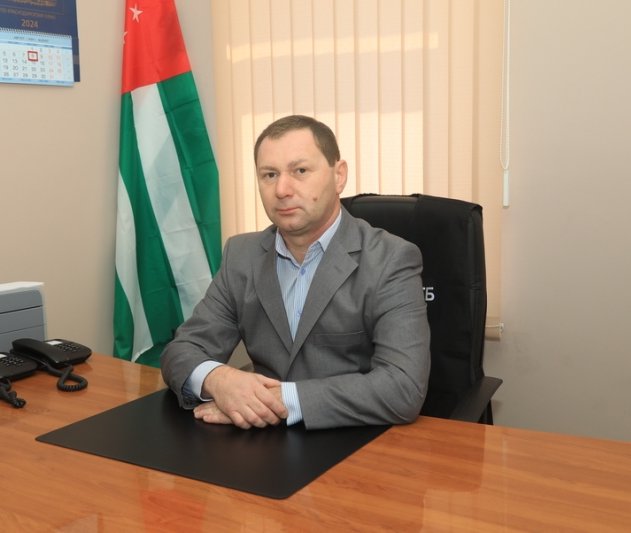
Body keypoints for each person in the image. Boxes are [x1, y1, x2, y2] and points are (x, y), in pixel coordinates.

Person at [160, 115, 430, 430]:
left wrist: (278, 400)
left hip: (356, 441)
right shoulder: (241, 255)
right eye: (269, 174)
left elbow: (402, 387)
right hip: (259, 441)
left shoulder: (390, 259)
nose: (281, 189)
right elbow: (180, 351)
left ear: (339, 176)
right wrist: (219, 380)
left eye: (300, 171)